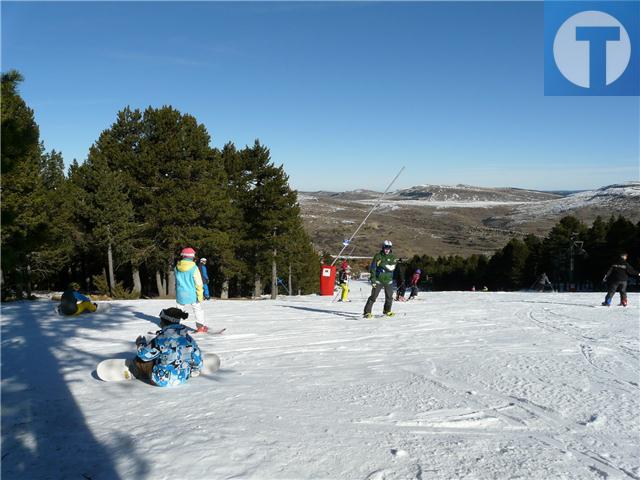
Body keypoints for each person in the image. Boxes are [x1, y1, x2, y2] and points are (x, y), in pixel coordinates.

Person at [130, 307, 203, 387]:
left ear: (165, 321)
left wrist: (140, 344)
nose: (160, 323)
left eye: (161, 320)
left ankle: (134, 372)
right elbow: (198, 361)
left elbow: (143, 356)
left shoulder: (162, 338)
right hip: (182, 378)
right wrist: (194, 370)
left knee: (139, 359)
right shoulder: (188, 338)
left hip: (162, 380)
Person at [175, 247, 208, 333]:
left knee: (178, 309)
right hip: (192, 293)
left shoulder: (177, 267)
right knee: (197, 309)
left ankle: (174, 326)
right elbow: (199, 283)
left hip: (180, 292)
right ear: (193, 257)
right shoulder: (194, 268)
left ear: (182, 256)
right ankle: (200, 327)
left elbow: (177, 280)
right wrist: (200, 295)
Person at [363, 240, 397, 318]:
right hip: (378, 280)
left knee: (389, 297)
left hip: (388, 281)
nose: (387, 249)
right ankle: (367, 312)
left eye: (389, 247)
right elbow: (373, 268)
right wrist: (373, 279)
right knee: (373, 297)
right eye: (386, 247)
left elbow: (392, 268)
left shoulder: (392, 257)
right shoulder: (378, 256)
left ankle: (387, 311)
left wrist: (382, 264)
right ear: (383, 247)